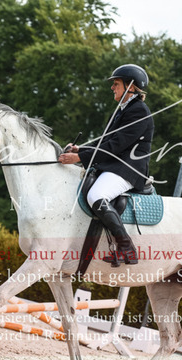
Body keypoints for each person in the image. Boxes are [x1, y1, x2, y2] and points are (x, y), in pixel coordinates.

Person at [58, 64, 154, 265]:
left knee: (96, 195)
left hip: (128, 169)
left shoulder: (139, 111)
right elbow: (105, 140)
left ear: (130, 87)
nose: (112, 87)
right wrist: (80, 149)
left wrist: (80, 158)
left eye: (116, 84)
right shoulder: (122, 110)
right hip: (115, 165)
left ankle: (127, 247)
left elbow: (116, 145)